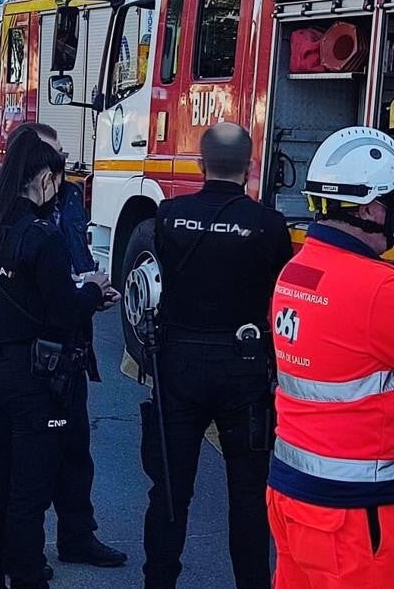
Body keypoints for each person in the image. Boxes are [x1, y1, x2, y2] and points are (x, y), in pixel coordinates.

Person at [268, 126, 394, 589]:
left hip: (292, 495)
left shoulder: (296, 271)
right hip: (352, 512)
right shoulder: (381, 288)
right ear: (371, 207)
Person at [0, 128, 117, 589]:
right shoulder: (40, 238)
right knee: (29, 491)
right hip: (33, 377)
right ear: (44, 178)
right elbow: (62, 311)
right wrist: (93, 292)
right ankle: (28, 578)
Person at [142, 122, 293, 588]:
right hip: (242, 368)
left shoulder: (167, 216)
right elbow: (278, 295)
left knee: (170, 491)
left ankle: (159, 581)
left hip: (178, 365)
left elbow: (152, 283)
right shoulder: (268, 225)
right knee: (247, 496)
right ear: (250, 167)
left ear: (199, 164)